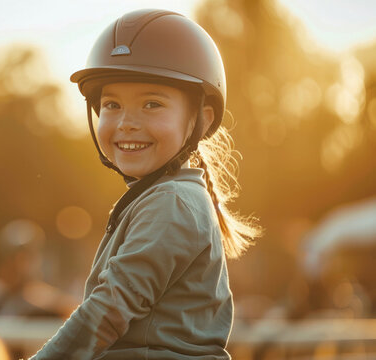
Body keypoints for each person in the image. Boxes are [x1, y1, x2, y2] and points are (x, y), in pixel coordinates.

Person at [30, 9, 261, 359]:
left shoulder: (172, 201)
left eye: (152, 104)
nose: (126, 123)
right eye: (112, 104)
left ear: (200, 120)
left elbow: (109, 308)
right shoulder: (163, 197)